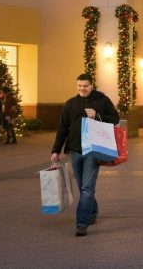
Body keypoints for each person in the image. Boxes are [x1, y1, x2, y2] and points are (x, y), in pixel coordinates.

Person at [50, 74, 120, 237]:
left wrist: (97, 116)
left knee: (87, 188)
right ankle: (92, 210)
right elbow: (62, 129)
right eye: (79, 86)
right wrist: (55, 150)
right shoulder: (70, 104)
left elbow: (115, 119)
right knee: (83, 187)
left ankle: (81, 223)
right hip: (75, 151)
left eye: (85, 86)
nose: (82, 89)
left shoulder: (102, 100)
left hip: (92, 151)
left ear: (91, 86)